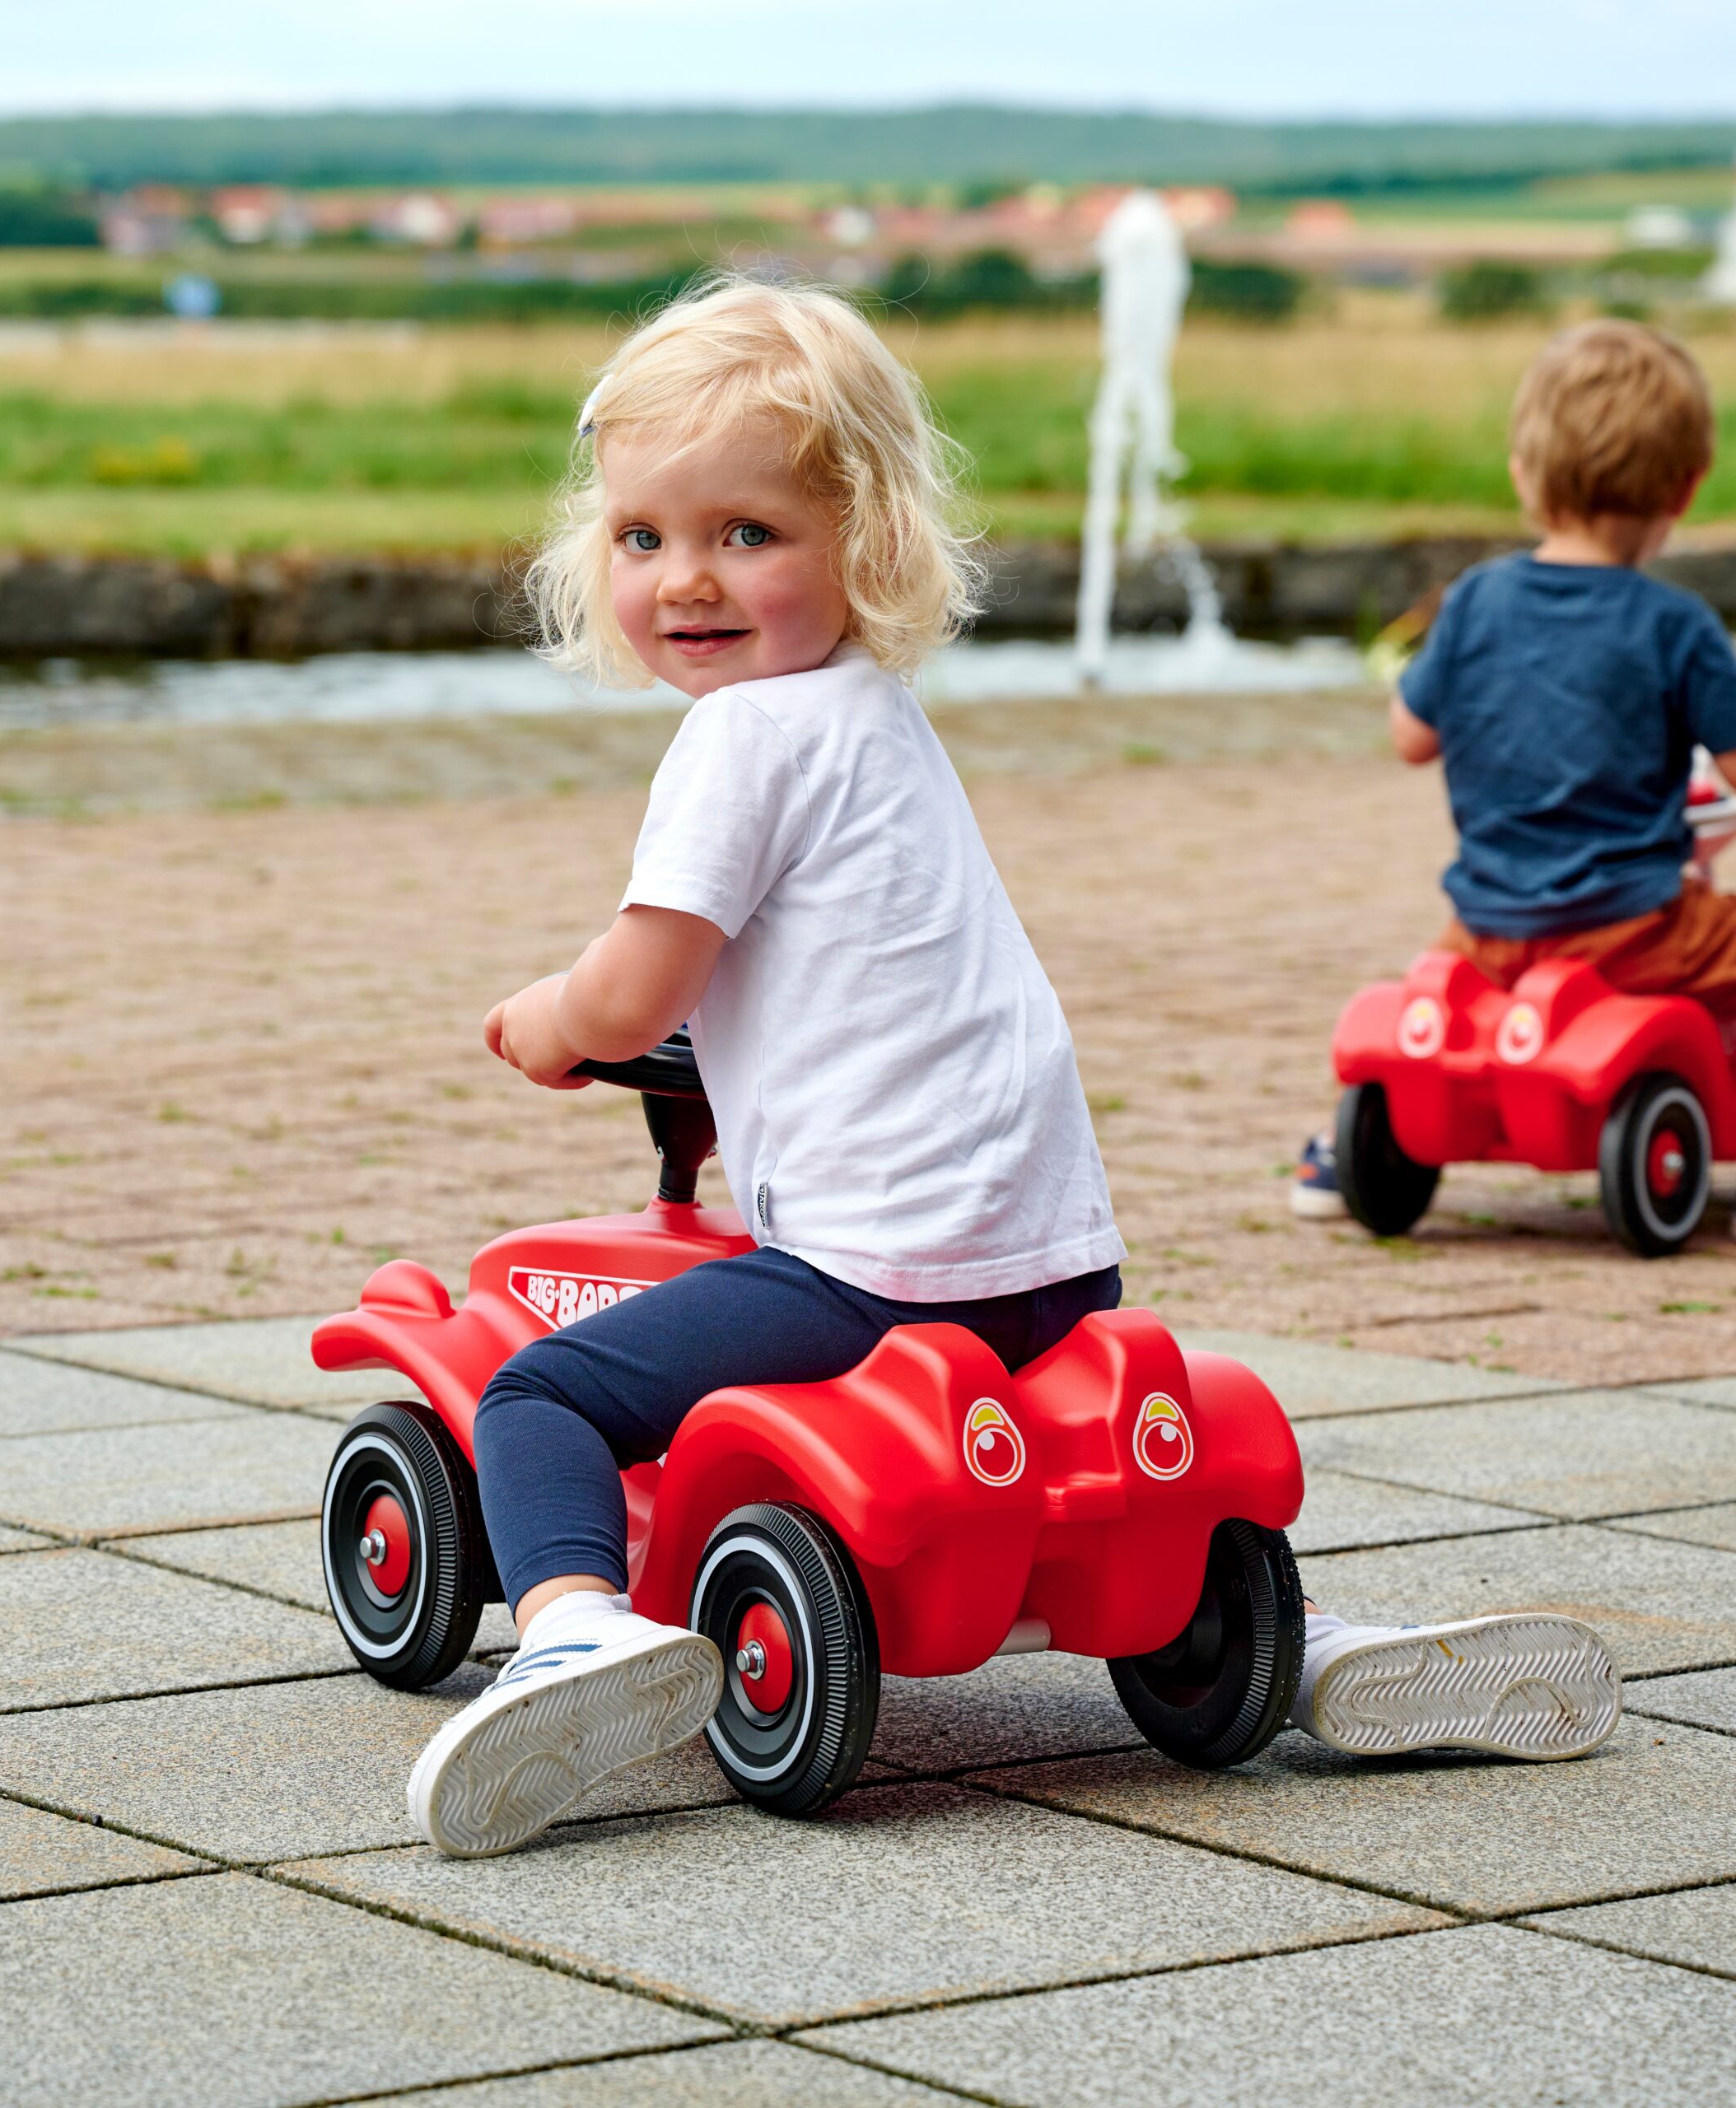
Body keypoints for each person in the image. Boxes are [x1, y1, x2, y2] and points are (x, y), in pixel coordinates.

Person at [408, 277, 1616, 1860]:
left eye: (745, 535)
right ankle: (1278, 1645)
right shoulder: (878, 720)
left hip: (866, 1268)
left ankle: (577, 1632)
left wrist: (551, 1021)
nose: (686, 579)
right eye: (644, 538)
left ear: (867, 543)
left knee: (539, 1390)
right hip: (1053, 1267)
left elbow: (637, 996)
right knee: (1084, 1472)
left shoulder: (739, 739)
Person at [1294, 318, 1736, 1220]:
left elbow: (1410, 739)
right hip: (1633, 924)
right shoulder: (1677, 626)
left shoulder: (1474, 602)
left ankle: (1349, 1154)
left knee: (1429, 996)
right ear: (1685, 488)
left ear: (1523, 474)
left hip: (1488, 927)